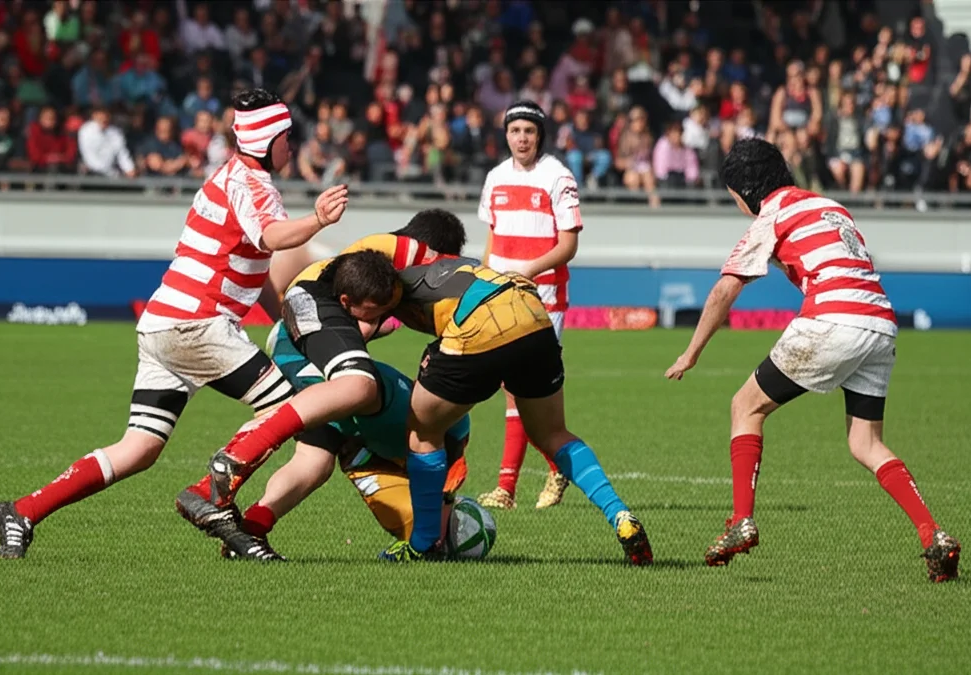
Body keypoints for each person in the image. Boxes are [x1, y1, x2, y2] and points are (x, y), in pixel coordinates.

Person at [0, 88, 349, 559]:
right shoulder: (252, 184)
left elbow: (250, 255)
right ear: (266, 140)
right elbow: (272, 236)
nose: (291, 145)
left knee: (138, 448)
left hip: (163, 324)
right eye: (286, 136)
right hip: (198, 323)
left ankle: (21, 511)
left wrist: (279, 307)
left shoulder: (229, 177)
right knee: (289, 411)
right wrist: (317, 219)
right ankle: (210, 496)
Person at [664, 138, 960, 583]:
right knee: (865, 444)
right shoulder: (830, 206)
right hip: (880, 322)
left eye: (733, 197)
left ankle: (741, 521)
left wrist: (691, 352)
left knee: (745, 407)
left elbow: (726, 288)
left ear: (746, 190)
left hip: (833, 318)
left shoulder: (772, 214)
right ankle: (932, 533)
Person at [173, 212, 468, 547]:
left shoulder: (384, 263)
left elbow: (361, 323)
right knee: (361, 386)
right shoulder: (395, 261)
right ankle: (226, 468)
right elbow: (358, 321)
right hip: (305, 327)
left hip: (301, 333)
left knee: (316, 460)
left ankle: (250, 530)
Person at [355, 255, 653, 565]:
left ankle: (422, 544)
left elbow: (370, 320)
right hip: (531, 316)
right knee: (553, 434)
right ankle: (620, 514)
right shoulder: (442, 269)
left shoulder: (392, 289)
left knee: (424, 432)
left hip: (480, 327)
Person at [222, 319, 471, 561]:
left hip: (301, 342)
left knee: (316, 459)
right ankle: (220, 483)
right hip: (307, 345)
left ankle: (250, 528)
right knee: (326, 440)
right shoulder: (434, 433)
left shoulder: (435, 428)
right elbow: (438, 506)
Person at [476, 99, 583, 512]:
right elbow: (492, 241)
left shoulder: (558, 177)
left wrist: (528, 270)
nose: (522, 138)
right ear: (505, 135)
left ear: (540, 136)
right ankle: (517, 484)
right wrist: (484, 281)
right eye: (515, 131)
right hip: (503, 296)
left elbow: (568, 245)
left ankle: (518, 483)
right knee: (511, 390)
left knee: (529, 392)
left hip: (545, 299)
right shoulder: (495, 178)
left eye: (529, 131)